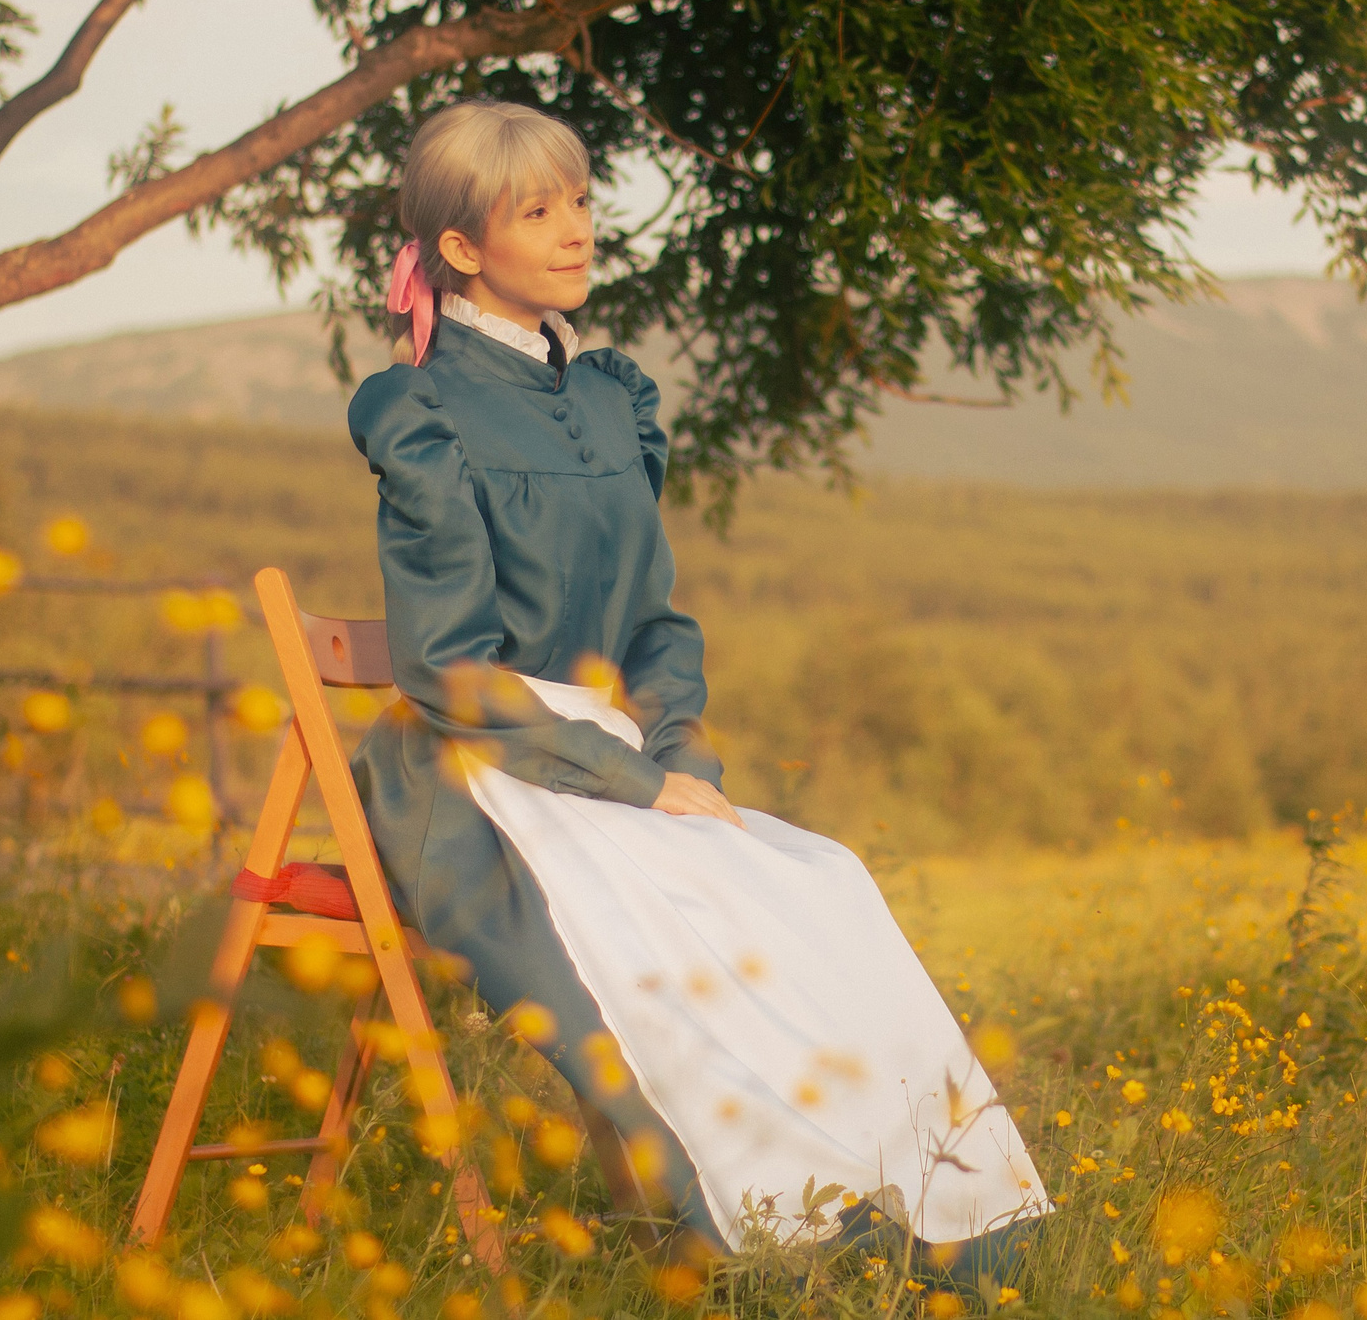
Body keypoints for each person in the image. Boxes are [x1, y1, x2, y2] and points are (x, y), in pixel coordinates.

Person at [345, 99, 1050, 1280]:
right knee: (677, 949)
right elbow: (445, 667)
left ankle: (942, 1244)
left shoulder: (612, 397)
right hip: (483, 774)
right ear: (461, 250)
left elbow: (657, 627)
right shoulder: (420, 410)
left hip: (616, 761)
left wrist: (677, 762)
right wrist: (625, 779)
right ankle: (805, 1258)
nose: (576, 230)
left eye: (578, 200)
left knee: (819, 884)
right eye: (538, 211)